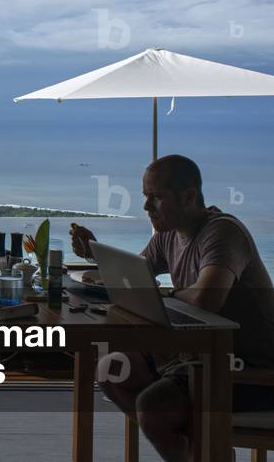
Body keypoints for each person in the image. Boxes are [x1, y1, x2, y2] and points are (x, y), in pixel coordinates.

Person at [70, 154, 274, 462]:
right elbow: (134, 275)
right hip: (195, 358)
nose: (145, 207)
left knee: (153, 407)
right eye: (145, 197)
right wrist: (93, 257)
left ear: (189, 196)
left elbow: (207, 298)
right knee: (110, 371)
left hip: (247, 369)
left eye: (156, 197)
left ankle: (205, 450)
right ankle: (196, 453)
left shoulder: (223, 233)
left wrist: (167, 293)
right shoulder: (168, 234)